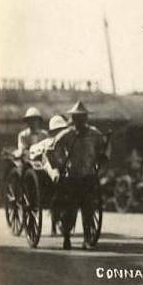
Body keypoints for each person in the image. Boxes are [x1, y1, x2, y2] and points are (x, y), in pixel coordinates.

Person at [50, 101, 108, 250]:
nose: (80, 121)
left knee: (88, 208)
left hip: (89, 176)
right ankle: (67, 237)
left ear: (87, 118)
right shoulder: (67, 134)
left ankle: (87, 238)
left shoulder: (95, 134)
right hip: (71, 177)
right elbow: (52, 149)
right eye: (77, 118)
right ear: (73, 119)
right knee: (70, 209)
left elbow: (104, 148)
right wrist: (59, 164)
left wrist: (103, 156)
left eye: (83, 118)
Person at [28, 114, 69, 235]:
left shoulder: (66, 143)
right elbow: (33, 153)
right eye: (57, 131)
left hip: (63, 169)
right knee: (53, 171)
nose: (60, 133)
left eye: (62, 130)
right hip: (49, 169)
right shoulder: (46, 142)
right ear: (53, 132)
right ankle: (54, 226)